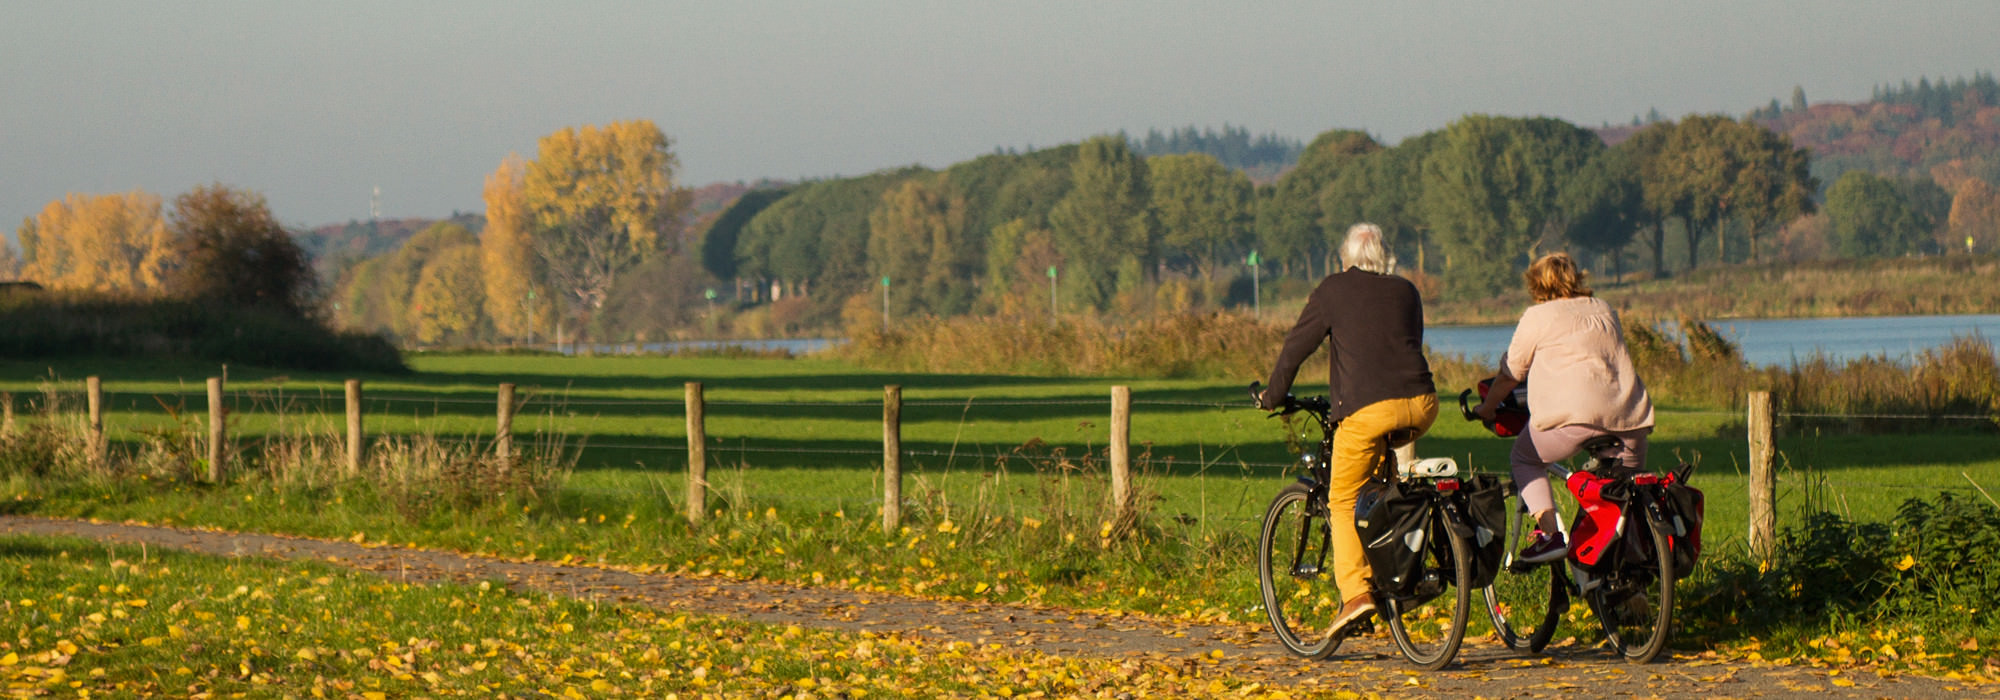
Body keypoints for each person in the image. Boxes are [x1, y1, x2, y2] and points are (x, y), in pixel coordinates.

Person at [1259, 222, 1438, 637]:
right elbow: (1407, 341)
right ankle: (1402, 571)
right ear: (1384, 255)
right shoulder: (1406, 290)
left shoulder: (1333, 290)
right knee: (1383, 490)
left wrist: (1272, 395)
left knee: (1341, 499)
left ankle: (1356, 595)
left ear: (1346, 258)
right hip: (1423, 403)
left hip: (1368, 411)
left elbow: (1295, 347)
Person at [1473, 252, 1654, 564]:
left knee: (1524, 458)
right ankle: (1624, 578)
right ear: (1576, 278)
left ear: (1536, 284)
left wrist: (1487, 409)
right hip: (1631, 420)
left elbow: (1510, 375)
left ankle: (1549, 535)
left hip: (1574, 421)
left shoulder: (1538, 316)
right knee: (1619, 498)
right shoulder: (1604, 309)